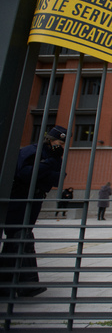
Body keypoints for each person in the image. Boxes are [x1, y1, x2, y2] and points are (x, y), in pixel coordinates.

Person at [2, 125, 67, 297]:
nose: (59, 146)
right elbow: (24, 173)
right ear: (49, 139)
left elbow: (57, 178)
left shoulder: (55, 156)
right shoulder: (32, 151)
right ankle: (25, 284)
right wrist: (48, 165)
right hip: (20, 199)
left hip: (36, 198)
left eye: (62, 144)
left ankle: (12, 284)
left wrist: (48, 167)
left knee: (19, 238)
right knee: (19, 237)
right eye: (57, 142)